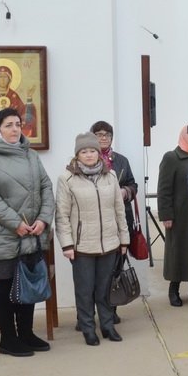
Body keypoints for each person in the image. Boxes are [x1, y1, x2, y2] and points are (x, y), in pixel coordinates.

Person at [0, 108, 54, 357]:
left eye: (18, 124)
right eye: (8, 125)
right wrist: (15, 223)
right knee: (6, 285)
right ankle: (7, 339)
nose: (15, 129)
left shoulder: (31, 155)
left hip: (32, 232)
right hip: (2, 234)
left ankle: (26, 334)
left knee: (27, 282)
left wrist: (43, 219)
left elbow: (46, 187)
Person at [55, 133, 129, 345]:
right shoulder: (67, 179)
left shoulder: (110, 176)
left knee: (105, 288)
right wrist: (67, 244)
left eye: (92, 151)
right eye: (84, 151)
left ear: (99, 153)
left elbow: (119, 210)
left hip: (109, 243)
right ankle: (88, 328)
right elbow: (62, 215)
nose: (89, 155)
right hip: (82, 246)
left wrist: (124, 239)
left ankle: (107, 325)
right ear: (77, 154)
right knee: (85, 290)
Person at [90, 120, 137, 326]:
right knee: (90, 273)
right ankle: (86, 314)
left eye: (107, 135)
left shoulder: (121, 161)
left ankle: (110, 310)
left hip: (119, 220)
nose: (103, 138)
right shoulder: (85, 159)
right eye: (99, 134)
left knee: (115, 268)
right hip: (93, 224)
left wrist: (126, 191)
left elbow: (132, 184)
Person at [157, 124, 188, 306]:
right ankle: (174, 289)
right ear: (184, 136)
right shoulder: (172, 157)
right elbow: (164, 189)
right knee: (178, 252)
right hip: (180, 215)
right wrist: (166, 215)